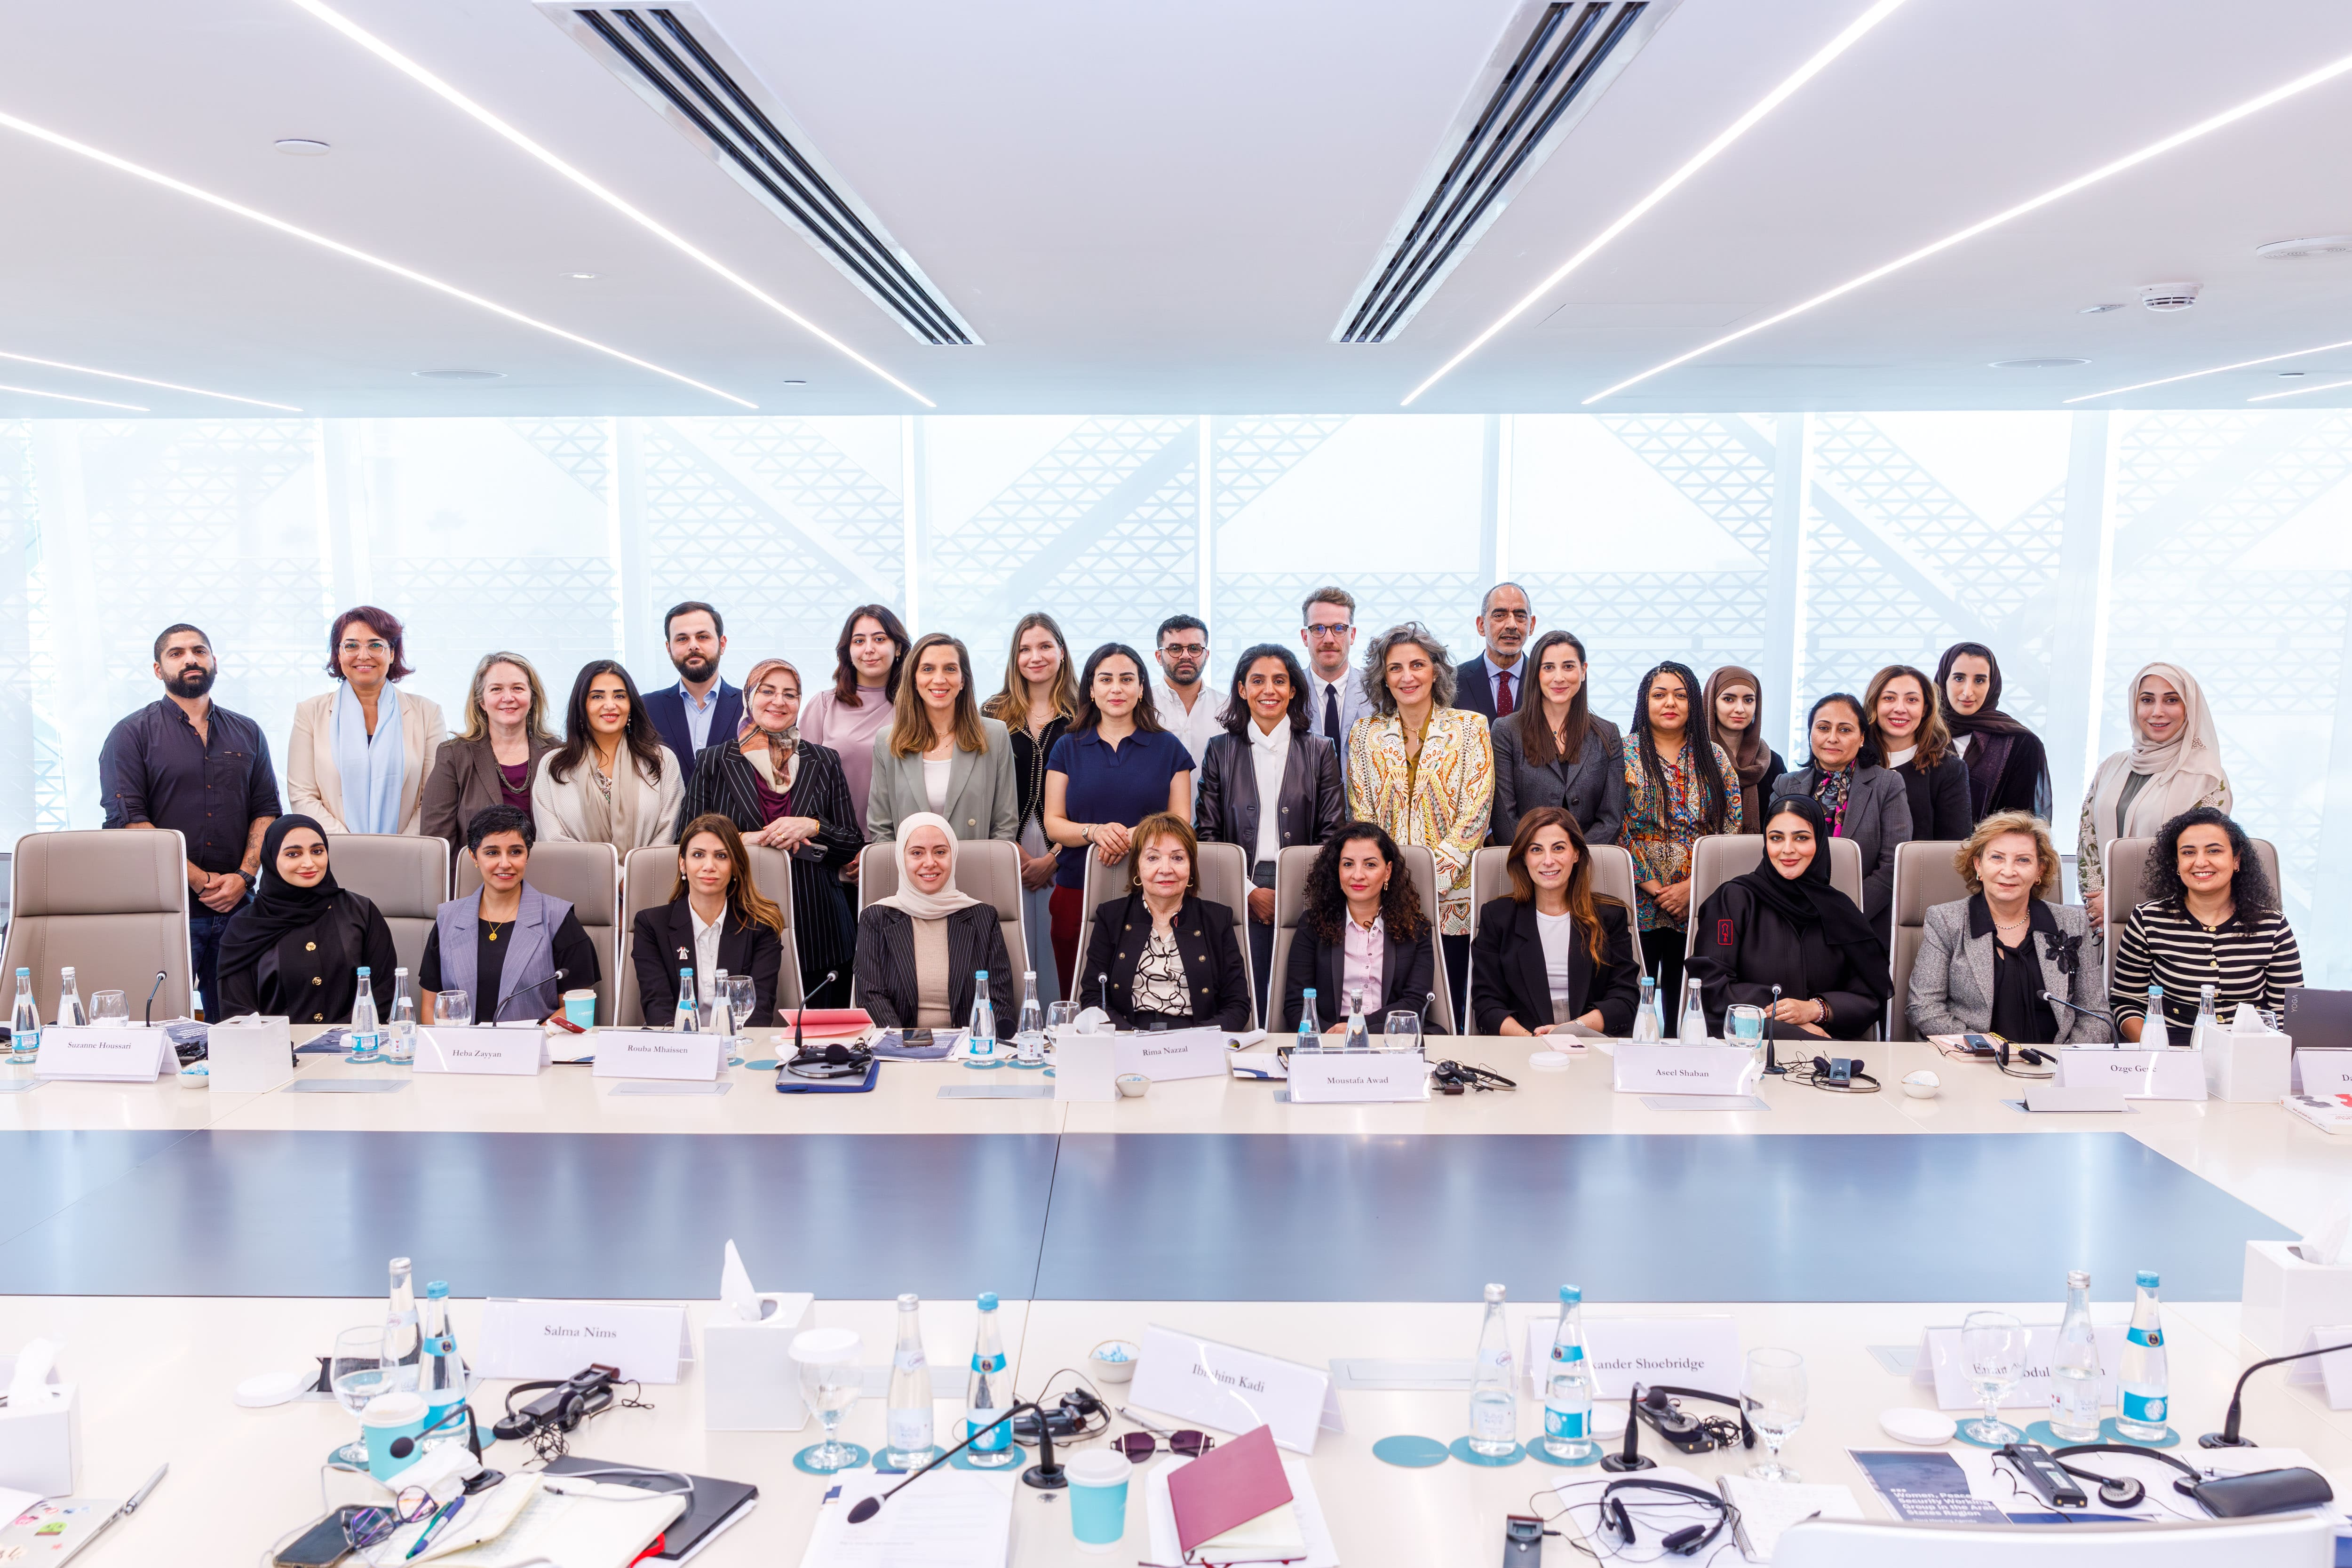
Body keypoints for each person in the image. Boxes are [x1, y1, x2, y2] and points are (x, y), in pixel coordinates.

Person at [100, 623, 281, 1014]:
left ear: (214, 661)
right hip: (167, 910)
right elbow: (130, 823)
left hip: (239, 909)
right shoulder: (130, 734)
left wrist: (244, 877)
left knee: (243, 1026)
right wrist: (201, 881)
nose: (190, 659)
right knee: (164, 1025)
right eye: (177, 653)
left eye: (199, 651)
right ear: (158, 669)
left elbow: (267, 810)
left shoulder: (248, 731)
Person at [678, 657, 864, 1005]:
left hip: (820, 925)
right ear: (750, 697)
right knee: (747, 1023)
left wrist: (813, 826)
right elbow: (685, 841)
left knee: (818, 1033)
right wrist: (740, 842)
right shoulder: (714, 761)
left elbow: (852, 842)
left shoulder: (825, 760)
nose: (779, 701)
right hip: (739, 917)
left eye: (790, 694)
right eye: (768, 691)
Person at [1345, 622, 1494, 1019]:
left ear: (1436, 670)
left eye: (1417, 665)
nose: (1407, 676)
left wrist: (1430, 881)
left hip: (1454, 901)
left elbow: (1476, 814)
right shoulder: (1364, 734)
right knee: (1395, 1009)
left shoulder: (1471, 727)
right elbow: (1363, 816)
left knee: (1452, 1010)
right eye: (1395, 668)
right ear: (1383, 677)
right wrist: (1393, 883)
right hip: (1386, 897)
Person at [1196, 644, 1346, 1019]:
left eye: (1280, 681)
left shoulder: (1320, 750)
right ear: (1242, 689)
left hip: (1307, 886)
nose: (1269, 690)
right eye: (1258, 680)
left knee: (1295, 1001)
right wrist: (1249, 892)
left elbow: (1332, 835)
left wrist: (1294, 890)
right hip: (1238, 887)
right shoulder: (1219, 750)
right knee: (1245, 997)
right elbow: (1207, 836)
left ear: (1293, 690)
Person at [1044, 643, 1194, 989]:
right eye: (1106, 679)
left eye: (1127, 679)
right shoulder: (1067, 746)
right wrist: (1096, 832)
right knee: (1078, 992)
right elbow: (1054, 822)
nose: (1116, 688)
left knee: (1147, 993)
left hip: (1152, 891)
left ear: (1141, 689)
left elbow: (1181, 820)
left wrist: (1131, 837)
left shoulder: (1169, 747)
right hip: (1077, 891)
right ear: (1091, 690)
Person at [1686, 795, 1888, 1042]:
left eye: (1801, 838)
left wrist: (1815, 1009)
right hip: (1749, 1040)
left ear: (1820, 842)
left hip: (1828, 1047)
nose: (1788, 849)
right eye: (1776, 838)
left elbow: (1870, 997)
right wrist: (1789, 1020)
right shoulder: (1733, 901)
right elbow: (1711, 985)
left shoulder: (1841, 911)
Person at [1907, 810, 2106, 1045]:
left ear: (2040, 870)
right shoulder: (1946, 920)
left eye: (2023, 860)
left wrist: (2065, 1059)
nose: (2009, 871)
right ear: (1978, 866)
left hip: (2054, 1061)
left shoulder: (2072, 923)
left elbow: (2096, 1014)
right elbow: (1924, 1008)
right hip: (1972, 1059)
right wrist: (1989, 1050)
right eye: (1997, 858)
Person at [2111, 807, 2301, 1042]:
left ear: (2236, 860)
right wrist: (2155, 1046)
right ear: (2177, 863)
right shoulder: (2148, 919)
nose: (2201, 862)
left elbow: (2288, 1013)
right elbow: (2127, 1002)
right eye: (2189, 853)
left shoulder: (2273, 925)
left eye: (2214, 851)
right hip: (2170, 1048)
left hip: (2249, 1049)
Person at [1621, 660, 1739, 1003]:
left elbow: (1730, 827)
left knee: (1688, 1003)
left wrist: (1692, 887)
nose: (1670, 703)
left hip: (1697, 902)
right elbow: (1613, 824)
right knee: (1634, 1001)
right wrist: (1653, 887)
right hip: (1637, 899)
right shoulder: (1623, 753)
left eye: (1681, 695)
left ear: (1695, 704)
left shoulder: (1713, 756)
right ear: (1645, 702)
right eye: (1659, 695)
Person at [2078, 662, 2229, 927]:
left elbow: (2197, 860)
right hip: (2100, 920)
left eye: (2171, 700)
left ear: (2190, 708)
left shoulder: (2207, 779)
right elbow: (2087, 837)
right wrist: (2098, 904)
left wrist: (2122, 905)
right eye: (2147, 700)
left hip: (2167, 923)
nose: (2157, 712)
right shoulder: (2112, 766)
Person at [420, 805, 601, 1025]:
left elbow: (578, 1010)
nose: (505, 864)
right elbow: (431, 1008)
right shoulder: (447, 920)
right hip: (458, 1045)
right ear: (474, 856)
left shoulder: (559, 919)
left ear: (527, 856)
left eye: (516, 852)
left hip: (537, 1045)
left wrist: (533, 1039)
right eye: (492, 853)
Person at [1468, 807, 1641, 1036]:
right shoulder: (1497, 917)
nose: (1548, 861)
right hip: (1522, 1043)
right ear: (1524, 858)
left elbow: (1624, 998)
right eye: (1536, 850)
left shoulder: (1610, 915)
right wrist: (1530, 1040)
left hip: (1591, 1041)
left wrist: (1569, 1031)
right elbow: (1487, 1004)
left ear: (1576, 854)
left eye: (1559, 848)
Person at [214, 815, 397, 1026]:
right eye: (293, 854)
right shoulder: (244, 926)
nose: (309, 863)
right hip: (275, 1045)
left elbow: (382, 993)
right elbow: (238, 1013)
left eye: (317, 851)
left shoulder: (361, 912)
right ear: (271, 858)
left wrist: (337, 1038)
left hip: (354, 1041)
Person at [1078, 813, 1251, 1030]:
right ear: (1138, 867)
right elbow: (1094, 998)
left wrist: (1196, 1038)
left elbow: (1238, 1006)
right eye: (1153, 858)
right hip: (1127, 1036)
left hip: (1196, 1038)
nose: (1166, 869)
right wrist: (1130, 1036)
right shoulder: (1111, 917)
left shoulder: (1217, 920)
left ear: (1191, 868)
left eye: (1178, 858)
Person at [981, 612, 1078, 1001]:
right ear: (1015, 657)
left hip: (1068, 845)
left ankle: (1059, 1020)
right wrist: (1010, 848)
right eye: (1025, 649)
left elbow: (1092, 789)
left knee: (1061, 946)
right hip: (1007, 845)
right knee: (1010, 943)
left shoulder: (1085, 711)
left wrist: (1056, 857)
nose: (1035, 657)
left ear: (1062, 652)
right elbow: (982, 785)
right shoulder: (992, 712)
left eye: (1045, 646)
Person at [286, 606, 447, 835]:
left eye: (375, 645)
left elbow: (435, 799)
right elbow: (302, 796)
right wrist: (352, 847)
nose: (363, 656)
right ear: (339, 654)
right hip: (336, 849)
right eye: (352, 646)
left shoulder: (427, 713)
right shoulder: (310, 713)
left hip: (408, 850)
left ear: (392, 654)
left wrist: (402, 847)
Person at [853, 813, 1017, 1031]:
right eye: (917, 853)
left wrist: (976, 1044)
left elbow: (999, 999)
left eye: (940, 852)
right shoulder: (876, 918)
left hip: (970, 1045)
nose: (930, 863)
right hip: (900, 1045)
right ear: (902, 859)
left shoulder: (984, 918)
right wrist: (905, 1044)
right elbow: (870, 997)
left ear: (953, 855)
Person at [628, 812, 786, 1028]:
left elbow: (759, 1010)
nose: (709, 866)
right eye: (698, 855)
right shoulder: (651, 925)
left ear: (735, 866)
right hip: (677, 1043)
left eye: (721, 856)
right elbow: (658, 1007)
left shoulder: (761, 926)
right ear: (683, 864)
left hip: (739, 1042)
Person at [1771, 692, 1911, 932]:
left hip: (1860, 922)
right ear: (1811, 734)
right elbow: (1772, 854)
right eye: (1823, 728)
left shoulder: (1888, 785)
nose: (1832, 738)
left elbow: (1893, 865)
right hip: (1792, 918)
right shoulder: (1785, 785)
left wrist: (1842, 915)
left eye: (1845, 730)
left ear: (1862, 738)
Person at [1279, 821, 1438, 1033]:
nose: (1357, 875)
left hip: (1392, 1036)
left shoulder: (1415, 927)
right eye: (1348, 864)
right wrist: (1331, 1035)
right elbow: (1297, 1007)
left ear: (1388, 871)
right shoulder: (1312, 925)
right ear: (1337, 870)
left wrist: (1357, 1029)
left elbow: (1416, 1002)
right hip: (1329, 1037)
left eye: (1370, 865)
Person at [867, 632, 1020, 843]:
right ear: (914, 680)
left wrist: (986, 861)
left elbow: (1006, 823)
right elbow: (881, 826)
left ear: (963, 680)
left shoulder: (995, 735)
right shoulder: (888, 741)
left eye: (950, 669)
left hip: (977, 861)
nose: (939, 680)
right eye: (928, 669)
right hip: (910, 864)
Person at [1490, 629, 1624, 847]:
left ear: (1583, 671)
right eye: (1549, 668)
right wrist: (1538, 856)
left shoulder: (1607, 734)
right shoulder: (1506, 731)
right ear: (1536, 673)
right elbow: (1504, 818)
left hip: (1588, 858)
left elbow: (1611, 819)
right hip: (1523, 859)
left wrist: (1575, 856)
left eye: (1568, 667)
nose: (1559, 677)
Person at [532, 661, 684, 852]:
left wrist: (636, 870)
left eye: (620, 696)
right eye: (597, 697)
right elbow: (552, 839)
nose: (610, 705)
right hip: (576, 872)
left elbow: (669, 832)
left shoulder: (662, 761)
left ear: (631, 705)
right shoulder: (554, 766)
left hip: (649, 871)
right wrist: (607, 869)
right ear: (582, 706)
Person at [420, 652, 559, 852]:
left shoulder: (558, 754)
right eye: (496, 689)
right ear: (482, 701)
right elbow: (437, 843)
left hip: (547, 869)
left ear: (532, 698)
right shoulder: (454, 756)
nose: (508, 698)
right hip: (475, 871)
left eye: (518, 688)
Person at [800, 604, 910, 838]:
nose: (869, 649)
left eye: (879, 639)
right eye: (859, 641)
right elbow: (802, 787)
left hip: (900, 843)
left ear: (898, 648)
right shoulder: (824, 705)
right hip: (833, 844)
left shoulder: (915, 709)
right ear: (848, 651)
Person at [1934, 642, 2051, 821]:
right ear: (1944, 680)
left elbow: (2020, 823)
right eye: (1959, 679)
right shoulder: (1920, 734)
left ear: (1992, 684)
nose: (1968, 692)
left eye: (1979, 681)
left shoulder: (2021, 743)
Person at [1865, 664, 1971, 842]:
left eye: (1912, 700)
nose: (1900, 708)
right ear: (1874, 705)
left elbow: (1954, 848)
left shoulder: (1951, 770)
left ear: (1925, 710)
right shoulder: (1852, 761)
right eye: (1889, 698)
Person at [642, 602, 739, 792]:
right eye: (682, 639)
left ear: (722, 644)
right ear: (669, 649)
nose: (693, 646)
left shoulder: (751, 707)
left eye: (703, 637)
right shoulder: (646, 708)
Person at [1298, 586, 1374, 776]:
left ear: (1352, 635)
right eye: (1318, 629)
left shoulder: (1377, 692)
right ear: (1305, 637)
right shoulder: (1288, 693)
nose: (1329, 639)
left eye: (1339, 628)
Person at [1703, 665, 1784, 832]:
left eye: (1748, 700)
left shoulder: (1772, 762)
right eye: (1728, 699)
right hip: (1703, 848)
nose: (1740, 709)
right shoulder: (1693, 758)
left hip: (1761, 848)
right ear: (1712, 704)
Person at [1452, 582, 1535, 723]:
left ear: (1531, 626)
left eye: (1520, 616)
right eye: (1500, 615)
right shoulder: (1454, 681)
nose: (1512, 625)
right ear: (1481, 625)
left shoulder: (1544, 679)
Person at [1152, 614, 1226, 769]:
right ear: (1159, 657)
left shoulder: (1228, 708)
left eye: (1194, 649)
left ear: (1207, 655)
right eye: (1175, 649)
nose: (1186, 656)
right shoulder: (1142, 707)